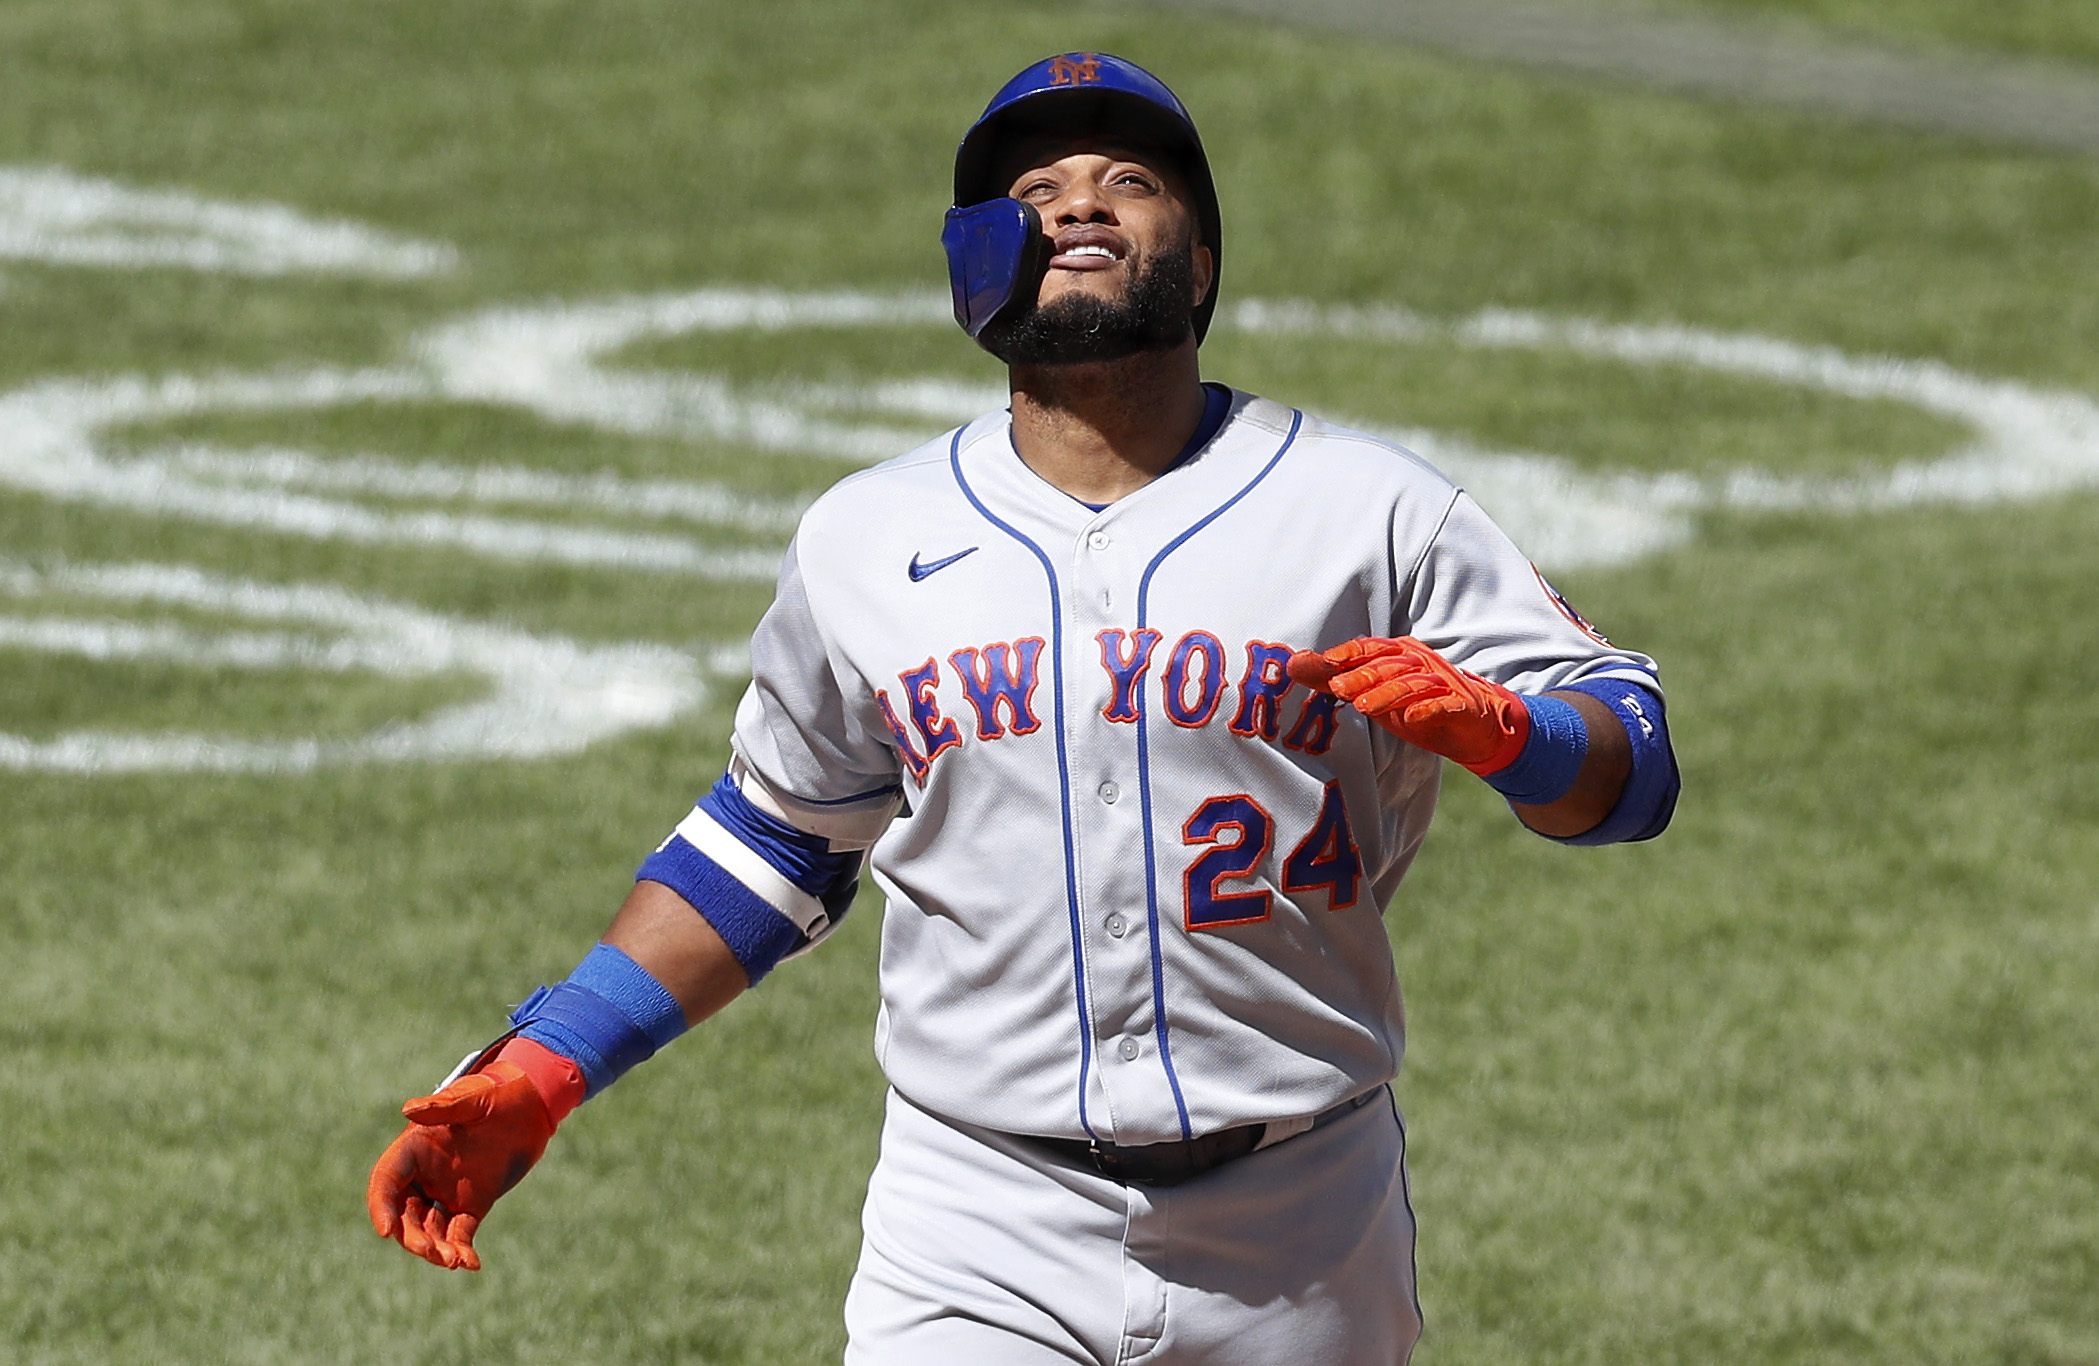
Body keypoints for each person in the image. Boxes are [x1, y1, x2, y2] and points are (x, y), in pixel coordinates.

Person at [366, 52, 1679, 1365]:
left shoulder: (1368, 510)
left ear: (1204, 265)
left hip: (1302, 1229)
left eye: (1132, 182)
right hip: (976, 1218)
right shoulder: (869, 537)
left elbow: (1635, 767)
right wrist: (549, 1062)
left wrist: (1524, 736)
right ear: (979, 262)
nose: (1083, 205)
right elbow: (775, 842)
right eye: (1038, 189)